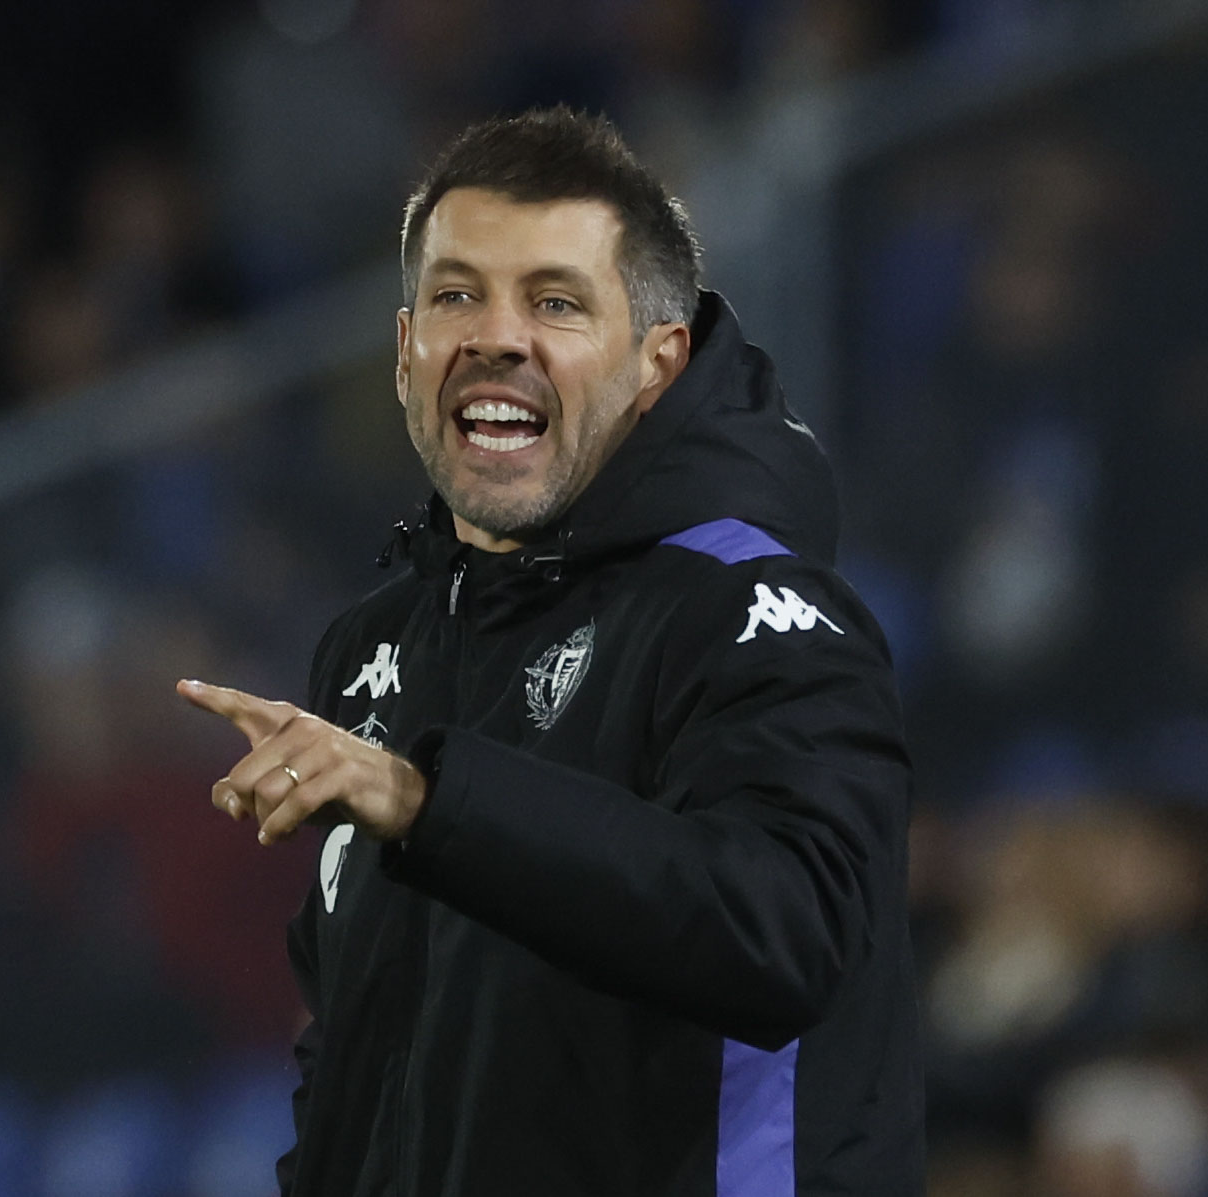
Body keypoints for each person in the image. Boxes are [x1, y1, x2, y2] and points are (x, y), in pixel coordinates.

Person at [177, 107, 922, 1196]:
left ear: (656, 364)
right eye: (455, 295)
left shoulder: (751, 608)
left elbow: (787, 930)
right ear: (402, 352)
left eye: (556, 302)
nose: (496, 335)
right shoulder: (374, 648)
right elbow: (353, 1052)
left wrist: (433, 804)